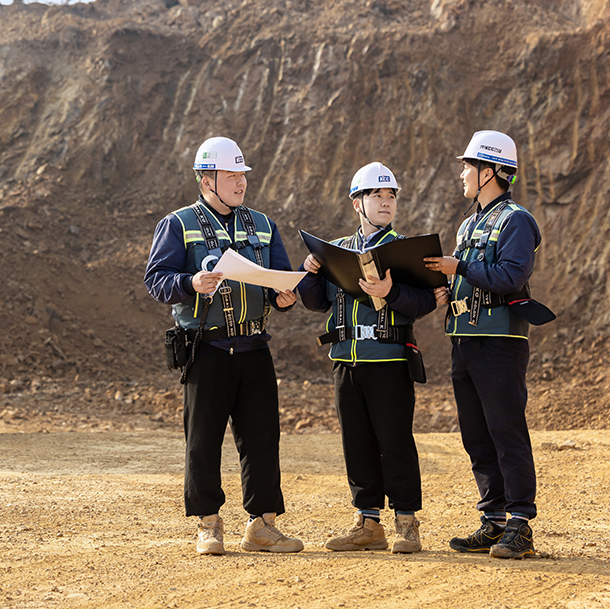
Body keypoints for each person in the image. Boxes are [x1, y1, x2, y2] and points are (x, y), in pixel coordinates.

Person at [144, 136, 303, 556]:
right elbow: (156, 280)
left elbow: (279, 278)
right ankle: (209, 524)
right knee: (203, 439)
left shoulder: (264, 226)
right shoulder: (177, 224)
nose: (240, 182)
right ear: (206, 179)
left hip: (254, 348)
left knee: (262, 437)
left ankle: (263, 526)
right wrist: (189, 282)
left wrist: (282, 297)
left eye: (242, 175)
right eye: (231, 175)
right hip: (207, 350)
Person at [296, 162, 435, 554]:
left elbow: (425, 302)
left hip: (389, 360)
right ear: (357, 202)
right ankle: (368, 523)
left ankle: (407, 523)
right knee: (356, 443)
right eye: (377, 195)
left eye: (391, 196)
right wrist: (309, 272)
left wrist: (391, 292)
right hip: (345, 360)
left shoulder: (407, 250)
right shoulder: (335, 251)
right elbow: (317, 301)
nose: (386, 202)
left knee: (395, 442)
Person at [424, 130, 542, 560]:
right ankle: (492, 520)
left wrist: (461, 266)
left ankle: (520, 523)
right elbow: (469, 276)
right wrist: (445, 285)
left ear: (490, 171)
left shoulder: (517, 220)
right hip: (465, 341)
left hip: (500, 342)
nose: (462, 173)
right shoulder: (469, 223)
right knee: (476, 434)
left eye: (468, 167)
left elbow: (510, 276)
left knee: (505, 429)